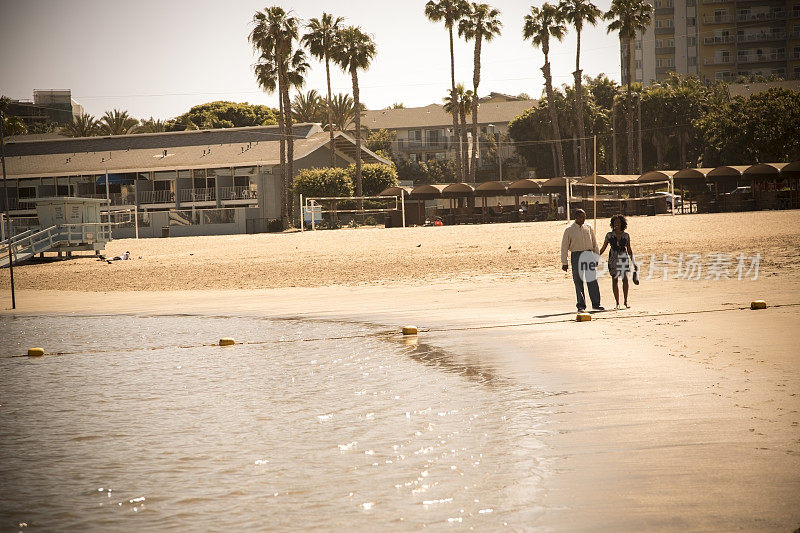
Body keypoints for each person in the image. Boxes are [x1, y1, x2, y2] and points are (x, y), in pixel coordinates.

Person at [561, 209, 603, 311]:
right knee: (578, 281)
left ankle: (596, 304)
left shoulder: (588, 227)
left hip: (588, 254)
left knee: (592, 280)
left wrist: (597, 256)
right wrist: (564, 262)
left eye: (584, 217)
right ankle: (581, 305)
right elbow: (564, 247)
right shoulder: (569, 230)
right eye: (581, 217)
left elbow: (594, 243)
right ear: (576, 217)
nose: (583, 219)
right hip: (576, 255)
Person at [599, 214, 637, 309]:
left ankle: (625, 301)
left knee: (625, 279)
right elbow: (603, 248)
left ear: (622, 224)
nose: (616, 224)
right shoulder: (609, 235)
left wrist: (634, 262)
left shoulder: (626, 235)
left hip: (623, 258)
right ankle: (617, 303)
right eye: (615, 223)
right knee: (614, 280)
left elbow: (629, 249)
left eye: (618, 223)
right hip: (613, 259)